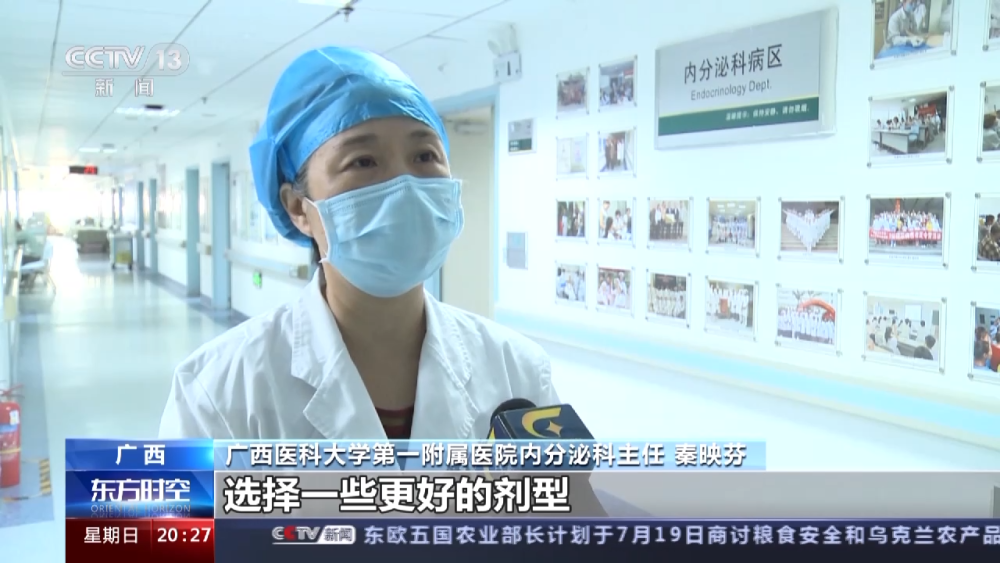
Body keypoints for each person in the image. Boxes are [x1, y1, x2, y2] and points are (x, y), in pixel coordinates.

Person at [158, 47, 577, 449]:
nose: (405, 185)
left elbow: (568, 500)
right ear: (298, 208)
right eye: (363, 161)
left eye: (424, 155)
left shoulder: (517, 371)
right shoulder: (218, 394)